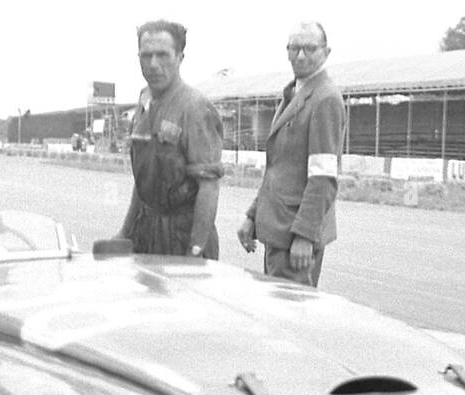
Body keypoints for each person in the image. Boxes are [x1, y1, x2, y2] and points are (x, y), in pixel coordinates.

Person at [238, 22, 346, 287]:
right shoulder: (294, 93)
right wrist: (253, 215)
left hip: (295, 237)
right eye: (294, 48)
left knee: (290, 319)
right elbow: (279, 167)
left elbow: (323, 177)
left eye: (310, 48)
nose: (300, 56)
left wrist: (305, 236)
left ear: (326, 52)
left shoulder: (325, 99)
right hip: (278, 230)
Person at [117, 19, 224, 258]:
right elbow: (144, 181)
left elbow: (209, 186)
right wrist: (125, 232)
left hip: (182, 234)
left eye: (163, 55)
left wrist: (196, 248)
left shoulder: (195, 108)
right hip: (146, 232)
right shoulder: (144, 100)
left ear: (180, 57)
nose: (153, 64)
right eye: (146, 56)